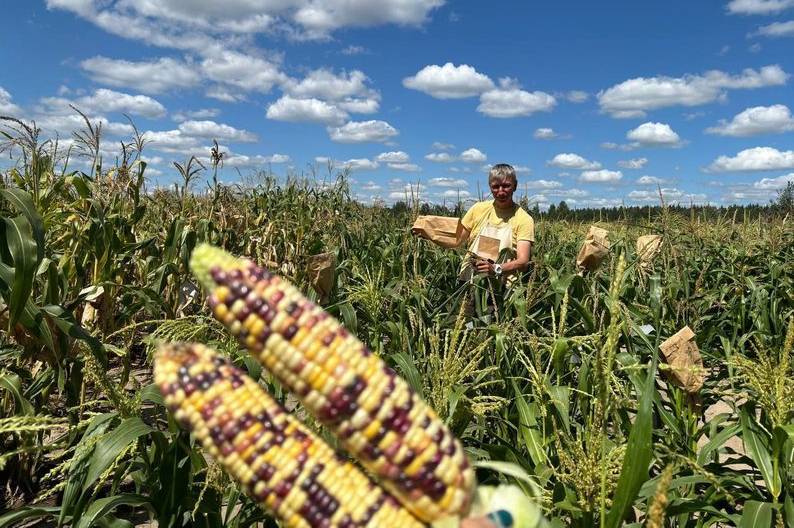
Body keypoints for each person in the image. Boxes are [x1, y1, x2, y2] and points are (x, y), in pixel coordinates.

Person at [413, 163, 534, 283]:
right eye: (496, 187)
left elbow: (523, 262)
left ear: (515, 186)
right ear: (490, 187)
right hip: (469, 281)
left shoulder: (523, 219)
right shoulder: (478, 209)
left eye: (506, 186)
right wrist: (426, 228)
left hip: (500, 289)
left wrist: (496, 268)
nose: (501, 192)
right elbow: (457, 238)